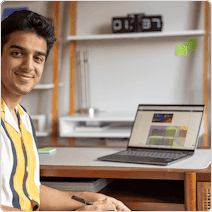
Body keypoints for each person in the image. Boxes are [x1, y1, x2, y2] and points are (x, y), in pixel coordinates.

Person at [1, 10, 130, 211]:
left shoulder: (23, 118)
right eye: (17, 53)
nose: (28, 66)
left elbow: (29, 190)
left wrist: (90, 198)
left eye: (38, 58)